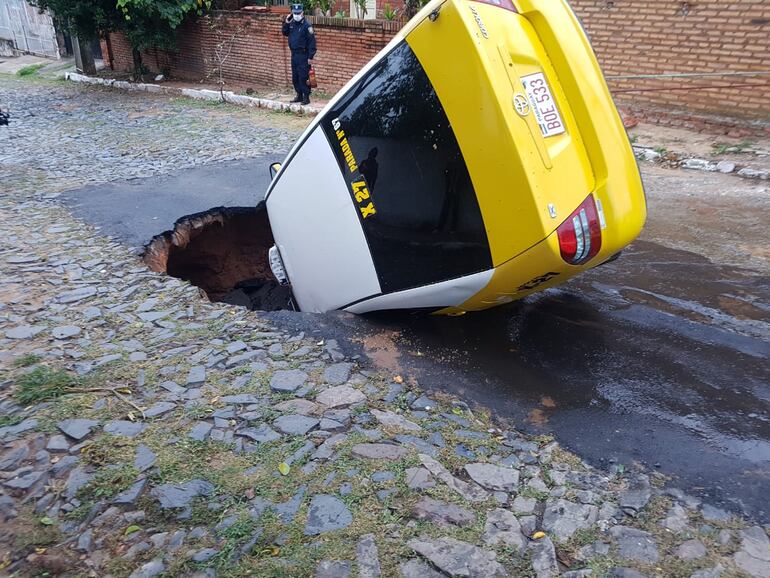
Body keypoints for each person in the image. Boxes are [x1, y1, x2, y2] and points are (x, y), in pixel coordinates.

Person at [282, 4, 317, 105]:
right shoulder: (292, 23)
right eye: (294, 13)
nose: (296, 15)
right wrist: (287, 22)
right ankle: (299, 95)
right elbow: (285, 33)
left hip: (304, 55)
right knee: (295, 77)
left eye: (298, 13)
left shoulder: (307, 26)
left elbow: (312, 42)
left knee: (304, 77)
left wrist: (311, 56)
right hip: (294, 55)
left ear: (302, 13)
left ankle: (306, 97)